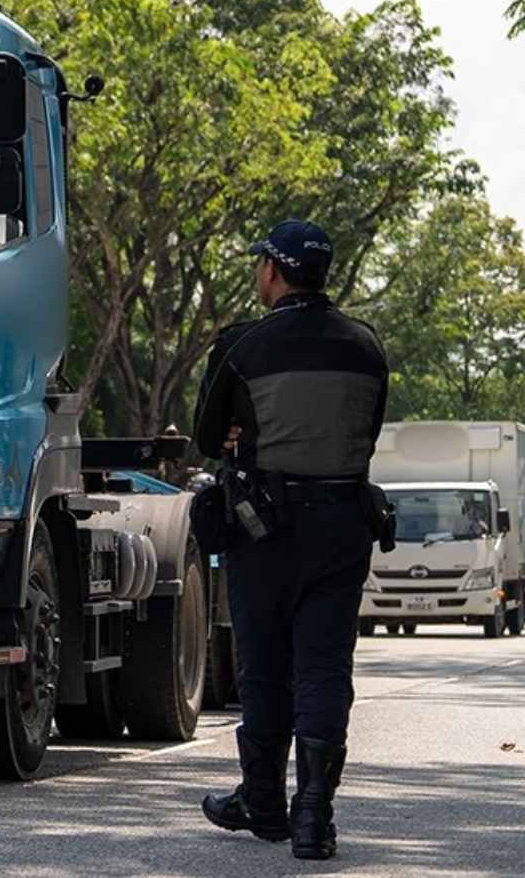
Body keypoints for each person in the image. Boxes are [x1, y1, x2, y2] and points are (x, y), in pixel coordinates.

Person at [193, 220, 389, 860]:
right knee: (325, 669)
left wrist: (239, 438)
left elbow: (204, 436)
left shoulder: (244, 347)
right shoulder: (367, 348)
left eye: (261, 266)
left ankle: (264, 802)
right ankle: (314, 817)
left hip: (265, 529)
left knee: (265, 668)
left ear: (273, 272)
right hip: (342, 525)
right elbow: (365, 436)